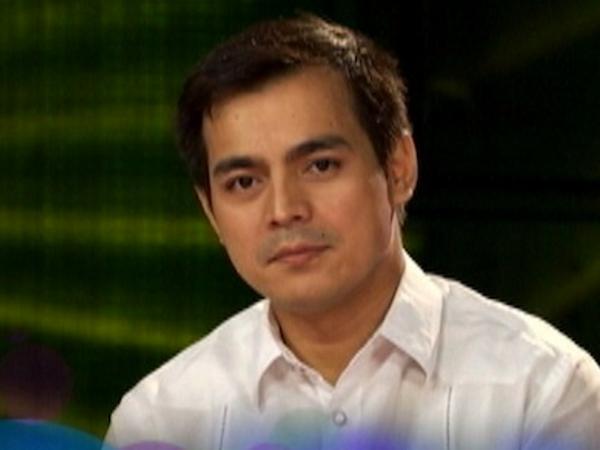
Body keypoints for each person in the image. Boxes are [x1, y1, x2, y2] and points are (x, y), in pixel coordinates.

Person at [105, 14, 600, 450]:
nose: (284, 210)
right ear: (211, 211)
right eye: (245, 182)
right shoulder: (161, 419)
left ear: (399, 168)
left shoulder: (541, 389)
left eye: (320, 165)